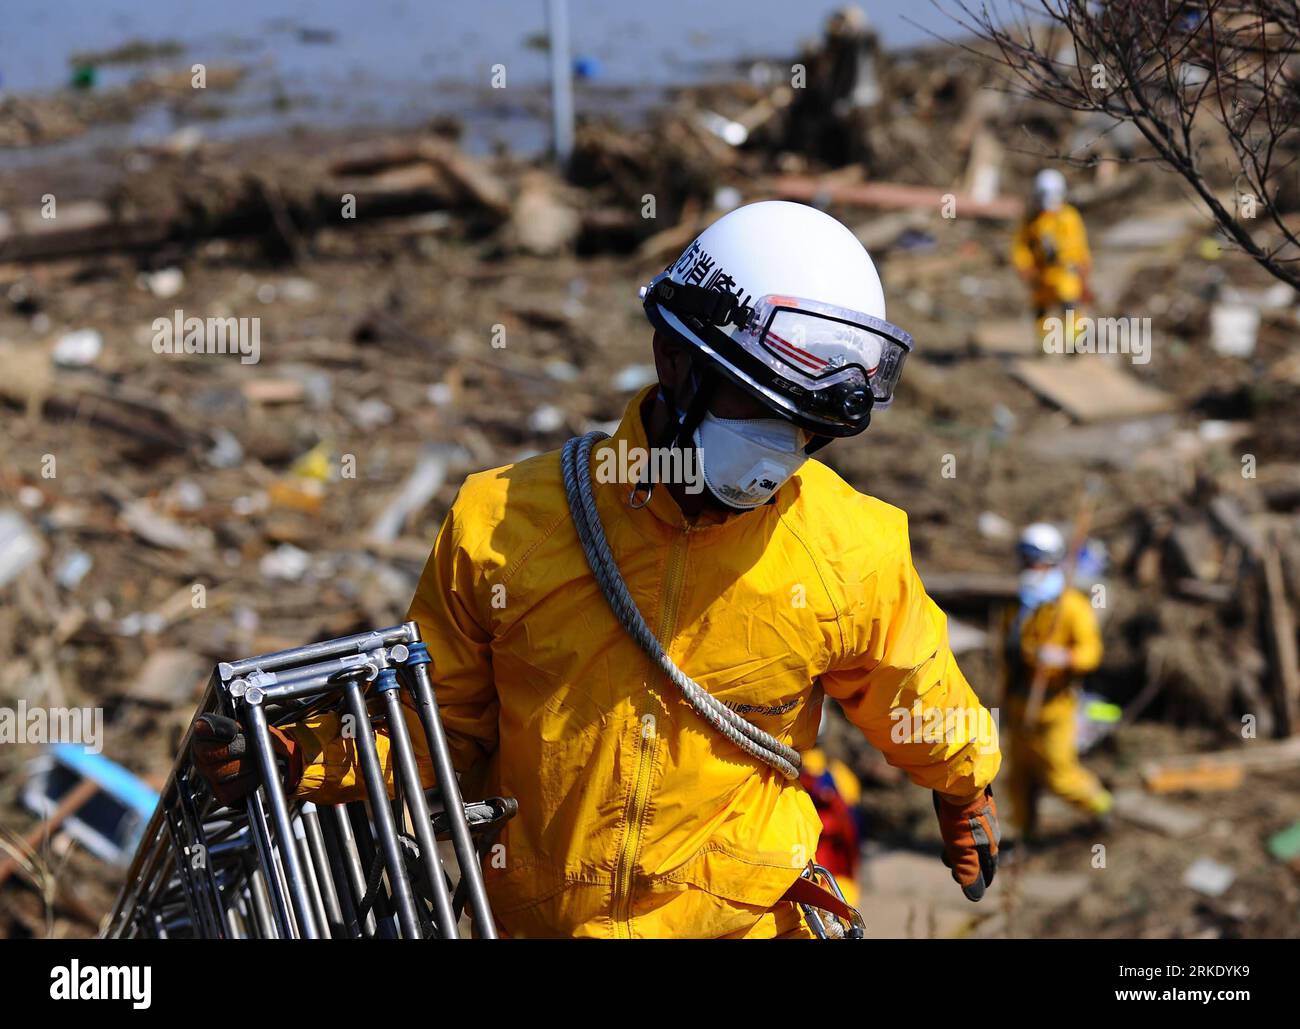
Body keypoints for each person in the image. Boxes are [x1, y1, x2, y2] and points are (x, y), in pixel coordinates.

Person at [194, 201, 1002, 938]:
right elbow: (437, 720)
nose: (780, 451)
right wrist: (297, 759)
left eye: (805, 430)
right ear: (675, 360)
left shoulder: (849, 548)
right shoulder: (507, 524)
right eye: (760, 408)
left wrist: (963, 783)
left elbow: (913, 685)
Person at [1002, 523, 1112, 841]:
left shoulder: (1071, 607)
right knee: (1018, 779)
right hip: (1021, 705)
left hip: (1055, 707)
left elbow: (1092, 652)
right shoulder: (1017, 607)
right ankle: (1024, 836)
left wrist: (1064, 658)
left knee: (1059, 774)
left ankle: (1102, 806)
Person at [1011, 169, 1093, 341]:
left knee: (1069, 304)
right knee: (1040, 308)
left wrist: (1083, 269)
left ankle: (1075, 340)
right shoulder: (1032, 221)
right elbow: (1021, 246)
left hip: (1065, 272)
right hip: (1040, 274)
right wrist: (1025, 266)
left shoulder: (1069, 217)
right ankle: (1045, 343)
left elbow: (1079, 246)